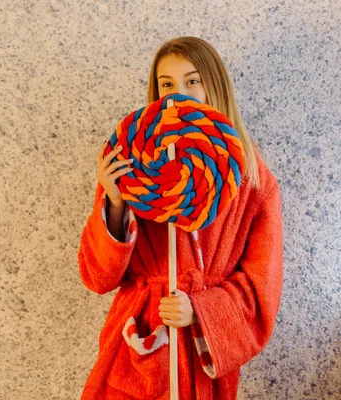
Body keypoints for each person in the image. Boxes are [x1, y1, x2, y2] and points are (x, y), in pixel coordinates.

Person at [77, 36, 284, 400]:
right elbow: (98, 277)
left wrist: (201, 311)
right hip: (135, 347)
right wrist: (115, 202)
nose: (179, 95)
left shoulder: (254, 181)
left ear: (214, 85)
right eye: (167, 84)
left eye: (193, 81)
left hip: (201, 358)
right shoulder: (134, 166)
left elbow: (261, 288)